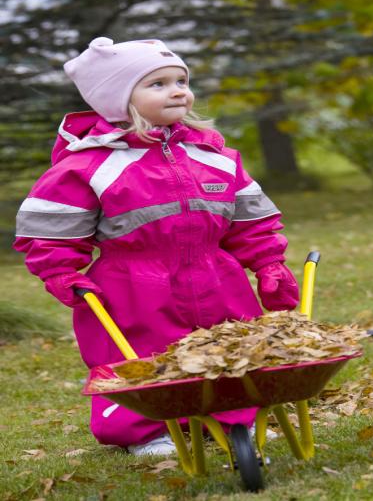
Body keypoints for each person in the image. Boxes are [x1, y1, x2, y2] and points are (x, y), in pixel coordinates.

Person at [13, 37, 299, 456]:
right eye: (159, 84)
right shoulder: (90, 164)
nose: (179, 91)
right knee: (140, 355)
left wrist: (268, 263)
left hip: (216, 273)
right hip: (132, 283)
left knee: (228, 345)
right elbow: (53, 227)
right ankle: (148, 431)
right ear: (118, 99)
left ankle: (235, 416)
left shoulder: (214, 156)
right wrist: (60, 272)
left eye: (181, 80)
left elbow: (249, 217)